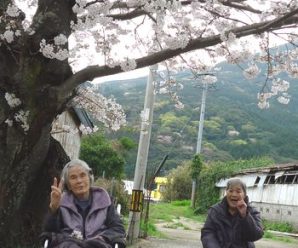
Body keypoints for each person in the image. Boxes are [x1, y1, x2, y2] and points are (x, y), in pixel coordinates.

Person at [41, 159, 126, 248]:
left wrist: (102, 238)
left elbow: (118, 229)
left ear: (89, 178)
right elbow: (50, 233)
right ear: (68, 185)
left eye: (83, 175)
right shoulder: (62, 202)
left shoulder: (104, 200)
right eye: (73, 177)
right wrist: (54, 209)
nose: (79, 181)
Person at [201, 178, 264, 248]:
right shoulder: (215, 211)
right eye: (230, 191)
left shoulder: (252, 211)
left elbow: (255, 235)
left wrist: (245, 215)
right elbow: (208, 233)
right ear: (226, 192)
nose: (234, 194)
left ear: (244, 194)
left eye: (238, 191)